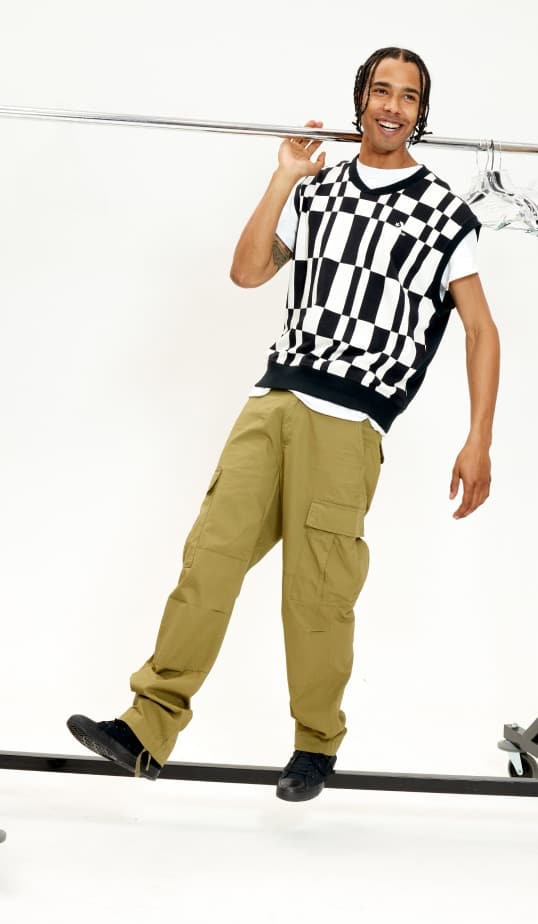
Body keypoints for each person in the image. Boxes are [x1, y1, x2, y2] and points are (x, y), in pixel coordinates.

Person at [67, 46, 500, 802]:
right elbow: (247, 271)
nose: (392, 107)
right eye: (381, 91)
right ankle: (147, 728)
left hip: (350, 422)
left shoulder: (444, 214)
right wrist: (283, 179)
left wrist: (479, 438)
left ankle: (315, 745)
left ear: (421, 113)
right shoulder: (318, 191)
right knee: (209, 557)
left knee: (316, 594)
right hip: (274, 401)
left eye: (407, 96)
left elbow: (481, 331)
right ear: (360, 99)